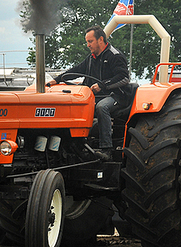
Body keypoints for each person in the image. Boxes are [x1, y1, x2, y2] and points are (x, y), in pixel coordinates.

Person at [47, 25, 131, 161]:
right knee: (75, 105)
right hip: (96, 96)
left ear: (100, 40)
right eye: (87, 42)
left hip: (116, 96)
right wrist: (56, 80)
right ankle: (74, 145)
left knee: (101, 107)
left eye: (90, 41)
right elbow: (77, 70)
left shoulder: (114, 56)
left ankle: (106, 149)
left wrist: (103, 85)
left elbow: (124, 78)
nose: (88, 45)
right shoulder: (92, 58)